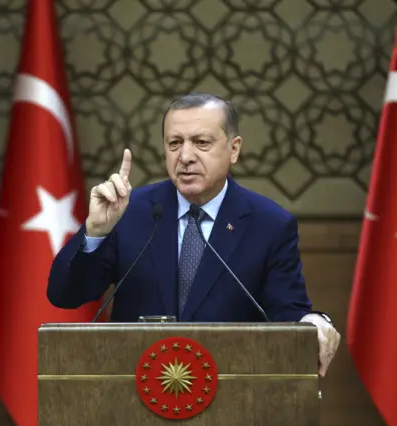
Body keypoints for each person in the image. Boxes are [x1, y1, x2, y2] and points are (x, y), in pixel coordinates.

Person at [47, 92, 341, 376]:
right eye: (175, 143)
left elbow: (288, 313)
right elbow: (65, 295)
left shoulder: (270, 225)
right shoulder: (129, 211)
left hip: (232, 393)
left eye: (201, 143)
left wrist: (312, 320)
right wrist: (96, 231)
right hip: (135, 389)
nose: (185, 156)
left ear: (234, 149)